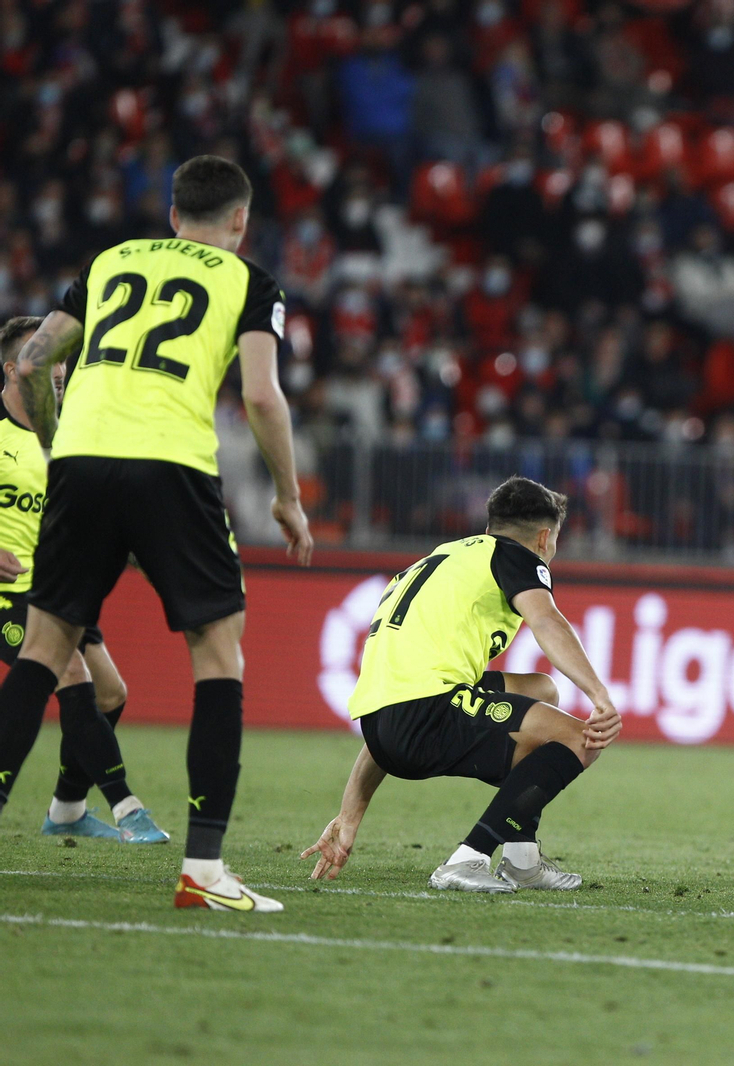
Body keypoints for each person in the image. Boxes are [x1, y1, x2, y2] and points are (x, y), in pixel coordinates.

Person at [0, 155, 313, 912]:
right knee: (217, 654)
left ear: (173, 214)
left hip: (81, 457)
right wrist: (288, 499)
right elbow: (263, 397)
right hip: (171, 463)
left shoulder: (111, 262)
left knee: (44, 648)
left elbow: (37, 355)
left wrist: (52, 440)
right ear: (239, 221)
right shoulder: (249, 281)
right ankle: (203, 871)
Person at [300, 477, 621, 893]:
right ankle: (468, 858)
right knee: (585, 738)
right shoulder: (517, 556)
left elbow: (395, 693)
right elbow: (546, 621)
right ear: (544, 538)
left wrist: (350, 814)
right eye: (555, 540)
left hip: (380, 726)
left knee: (540, 690)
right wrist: (599, 694)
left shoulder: (444, 556)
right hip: (426, 712)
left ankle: (522, 859)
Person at [0, 317, 167, 844]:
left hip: (56, 589)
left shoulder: (68, 433)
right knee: (71, 672)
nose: (60, 369)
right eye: (48, 358)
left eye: (63, 358)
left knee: (112, 695)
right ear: (13, 368)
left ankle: (67, 810)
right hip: (7, 593)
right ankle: (127, 807)